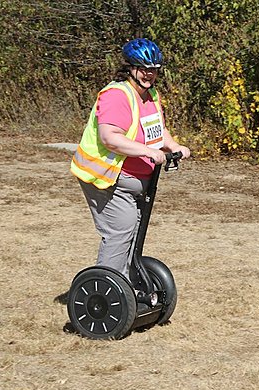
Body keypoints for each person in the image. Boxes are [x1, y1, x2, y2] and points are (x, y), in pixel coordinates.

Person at [70, 38, 190, 277]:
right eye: (144, 68)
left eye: (154, 69)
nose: (150, 74)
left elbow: (156, 130)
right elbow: (110, 137)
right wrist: (147, 151)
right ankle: (105, 290)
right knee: (121, 229)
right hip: (107, 177)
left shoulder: (150, 94)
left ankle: (124, 285)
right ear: (130, 68)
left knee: (134, 230)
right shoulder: (117, 95)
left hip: (135, 178)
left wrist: (174, 146)